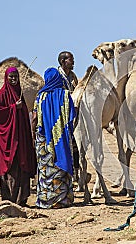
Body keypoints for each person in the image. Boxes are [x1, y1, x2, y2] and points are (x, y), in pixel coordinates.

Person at [32, 67, 76, 209]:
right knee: (60, 168)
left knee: (46, 170)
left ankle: (46, 200)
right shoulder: (65, 95)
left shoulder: (40, 97)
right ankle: (63, 200)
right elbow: (71, 115)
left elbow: (34, 118)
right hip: (62, 137)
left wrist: (33, 134)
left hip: (43, 140)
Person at [0, 67, 37, 207]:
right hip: (9, 139)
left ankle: (21, 200)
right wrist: (13, 108)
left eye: (15, 76)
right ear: (7, 77)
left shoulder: (20, 93)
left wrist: (20, 107)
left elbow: (24, 114)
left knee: (22, 165)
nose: (13, 79)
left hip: (21, 138)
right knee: (10, 167)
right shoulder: (2, 95)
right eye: (11, 77)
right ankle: (10, 200)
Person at [57, 51, 80, 184]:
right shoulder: (57, 76)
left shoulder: (73, 76)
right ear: (63, 61)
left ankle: (76, 173)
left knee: (76, 145)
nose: (73, 62)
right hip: (62, 115)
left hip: (73, 115)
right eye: (71, 59)